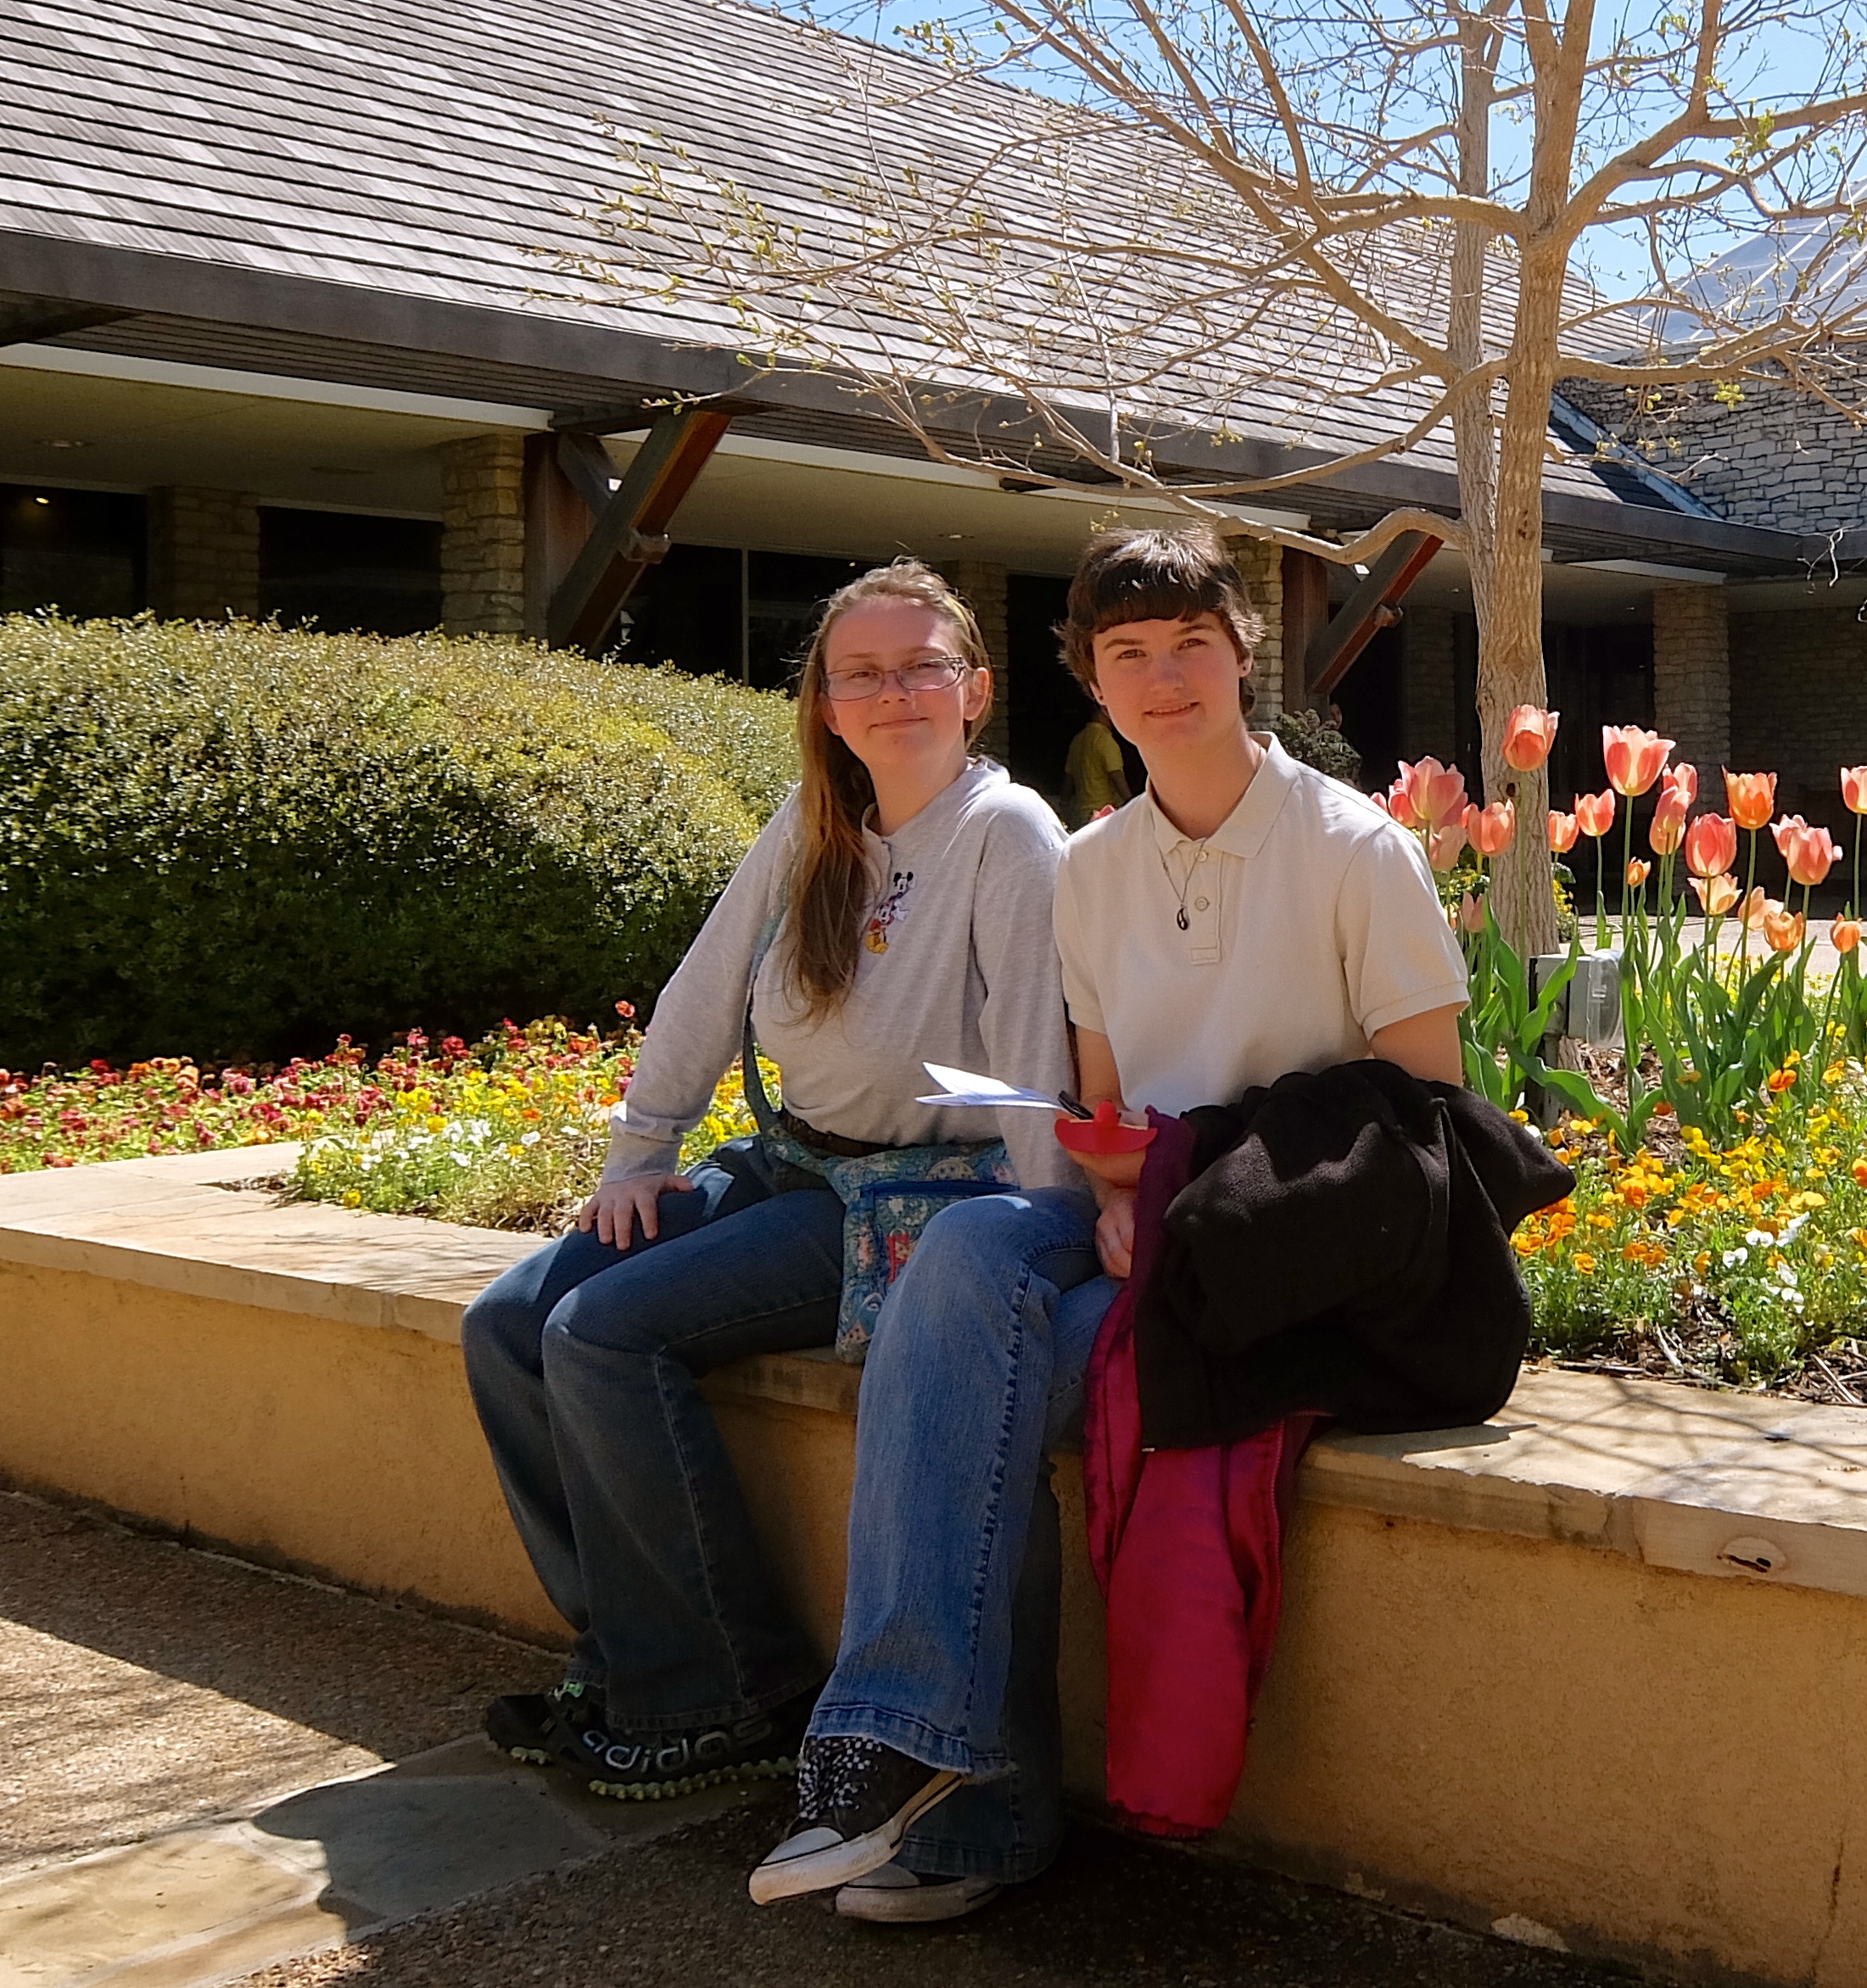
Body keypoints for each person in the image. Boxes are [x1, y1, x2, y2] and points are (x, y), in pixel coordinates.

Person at [751, 524, 1467, 1921]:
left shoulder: (1355, 849)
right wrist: (1127, 1195)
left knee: (983, 1371)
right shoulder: (1088, 869)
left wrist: (1197, 1201)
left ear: (1243, 654)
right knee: (967, 1252)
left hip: (1293, 1254)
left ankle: (959, 1794)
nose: (1164, 676)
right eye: (1127, 652)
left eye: (1191, 642)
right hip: (1154, 1232)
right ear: (1090, 679)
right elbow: (1100, 1105)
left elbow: (1428, 1119)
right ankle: (903, 1749)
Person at [460, 561, 1079, 1815]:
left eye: (922, 667)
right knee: (509, 1324)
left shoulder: (1005, 832)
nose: (893, 693)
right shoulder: (812, 825)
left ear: (973, 690)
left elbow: (1034, 1061)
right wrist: (642, 1154)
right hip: (791, 1161)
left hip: (909, 1197)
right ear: (828, 706)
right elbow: (702, 992)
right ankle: (629, 1656)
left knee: (601, 1333)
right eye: (862, 674)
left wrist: (1047, 1235)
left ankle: (717, 1693)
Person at [1063, 708, 1132, 819]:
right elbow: (1116, 775)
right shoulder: (1105, 740)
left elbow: (1069, 779)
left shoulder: (1077, 740)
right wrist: (1131, 802)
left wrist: (1064, 803)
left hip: (1082, 814)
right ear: (1103, 714)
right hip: (1104, 814)